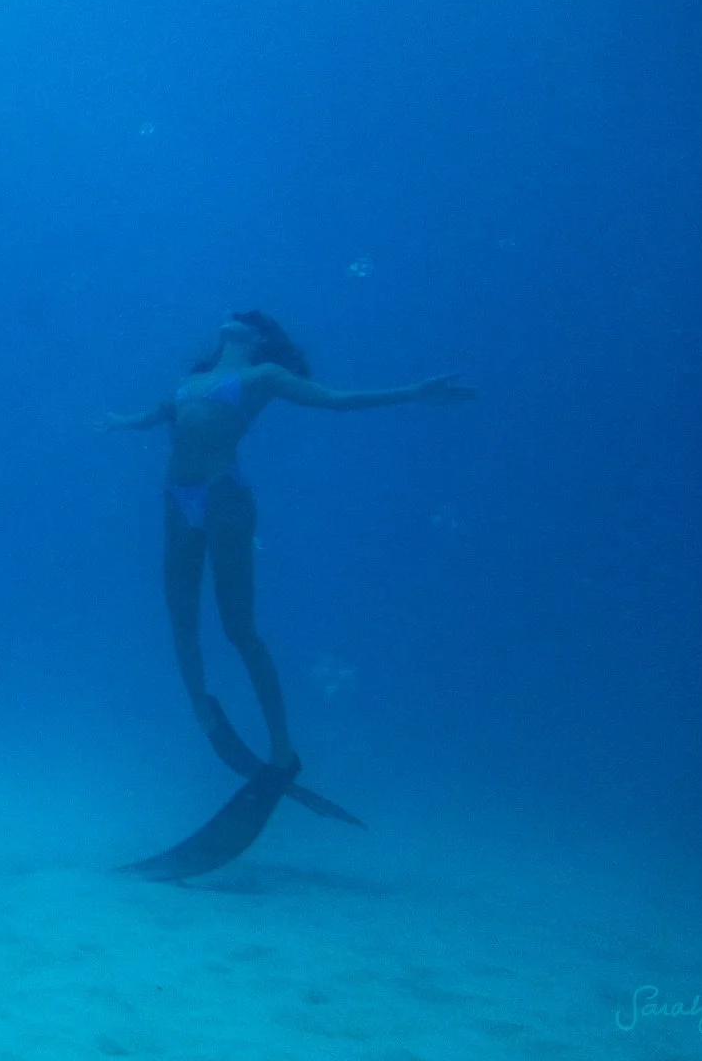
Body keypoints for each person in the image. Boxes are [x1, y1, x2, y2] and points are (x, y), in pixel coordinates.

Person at [99, 310, 475, 770]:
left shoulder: (265, 374)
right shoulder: (191, 380)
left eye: (246, 320)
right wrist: (120, 422)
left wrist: (414, 393)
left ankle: (282, 746)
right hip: (177, 498)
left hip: (223, 494)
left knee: (239, 628)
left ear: (257, 338)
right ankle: (204, 713)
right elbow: (153, 416)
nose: (234, 318)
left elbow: (335, 399)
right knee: (181, 617)